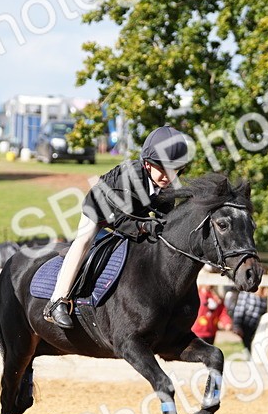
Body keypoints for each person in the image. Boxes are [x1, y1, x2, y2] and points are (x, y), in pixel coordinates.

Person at [44, 125, 193, 328]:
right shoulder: (129, 176)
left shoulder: (170, 186)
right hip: (100, 211)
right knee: (84, 242)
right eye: (163, 169)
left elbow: (165, 219)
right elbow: (121, 221)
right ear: (148, 164)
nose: (168, 176)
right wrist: (146, 226)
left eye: (174, 170)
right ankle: (56, 302)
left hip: (133, 212)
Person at [228, 286, 268, 355]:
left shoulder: (267, 294)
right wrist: (237, 325)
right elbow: (240, 308)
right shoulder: (247, 292)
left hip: (260, 324)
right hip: (247, 324)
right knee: (249, 347)